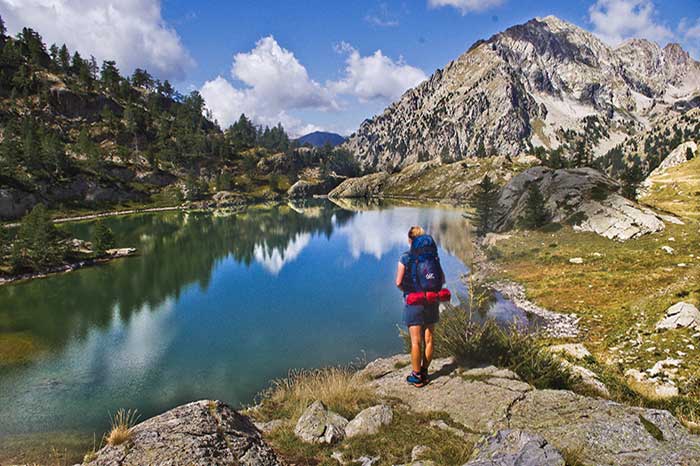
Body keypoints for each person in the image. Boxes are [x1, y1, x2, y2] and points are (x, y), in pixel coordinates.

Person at [395, 226, 444, 387]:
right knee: (429, 339)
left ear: (410, 240)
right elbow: (441, 280)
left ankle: (416, 377)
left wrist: (408, 291)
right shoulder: (433, 258)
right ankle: (424, 372)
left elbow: (398, 282)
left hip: (414, 301)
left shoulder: (405, 257)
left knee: (415, 341)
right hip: (431, 300)